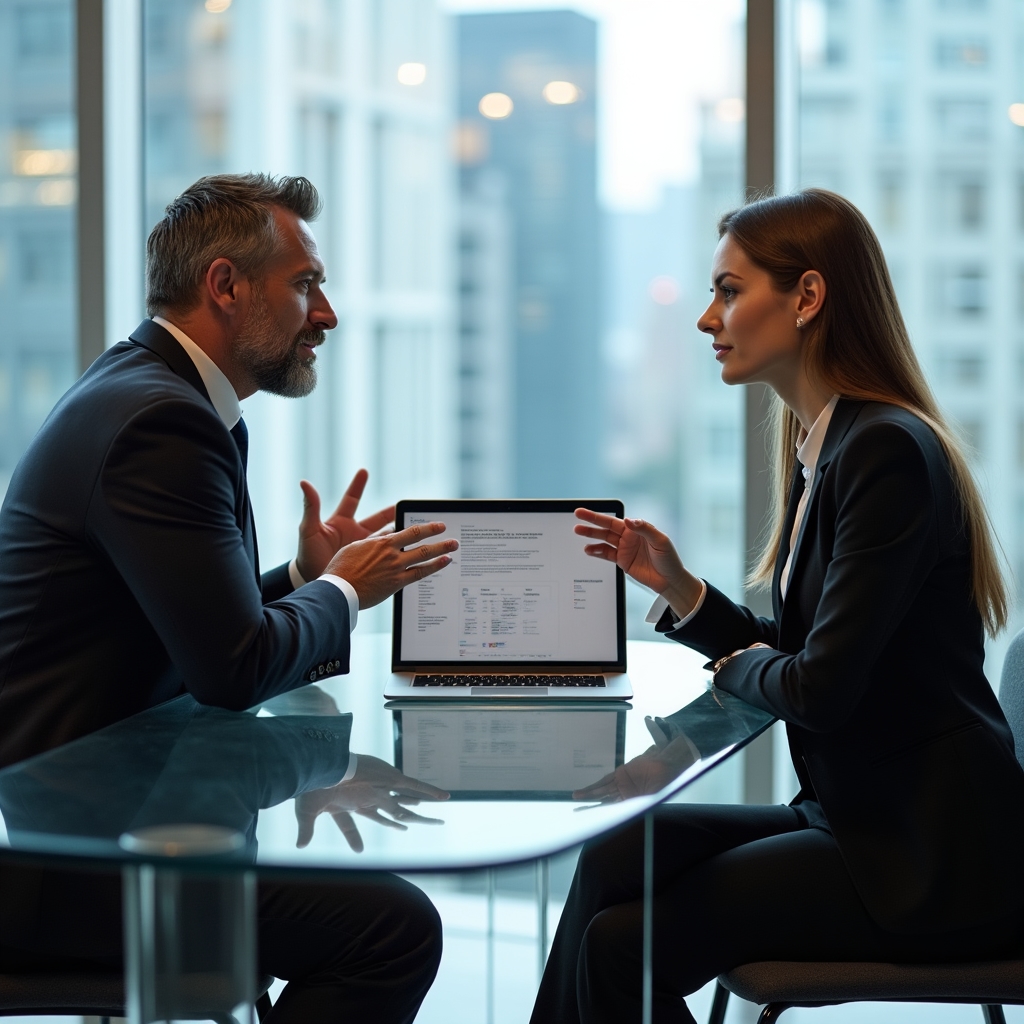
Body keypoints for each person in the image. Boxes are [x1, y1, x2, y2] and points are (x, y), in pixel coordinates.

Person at [530, 188, 1024, 1024]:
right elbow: (800, 655)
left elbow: (817, 688)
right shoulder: (826, 446)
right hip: (856, 817)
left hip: (929, 860)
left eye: (727, 290)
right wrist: (682, 592)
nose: (705, 318)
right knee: (613, 853)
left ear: (806, 297)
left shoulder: (886, 453)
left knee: (622, 944)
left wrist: (738, 662)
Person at [0, 173, 457, 1023]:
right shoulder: (158, 422)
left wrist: (297, 579)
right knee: (392, 930)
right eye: (306, 284)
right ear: (224, 284)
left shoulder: (149, 392)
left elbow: (189, 626)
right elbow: (233, 668)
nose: (325, 315)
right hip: (74, 864)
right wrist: (341, 591)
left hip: (107, 822)